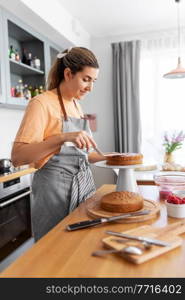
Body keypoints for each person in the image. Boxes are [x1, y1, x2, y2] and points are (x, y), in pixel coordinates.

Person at [11, 47, 105, 241]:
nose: (90, 88)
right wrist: (63, 137)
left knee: (75, 248)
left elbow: (81, 155)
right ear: (68, 74)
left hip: (81, 185)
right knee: (52, 250)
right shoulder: (41, 103)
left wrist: (111, 158)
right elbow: (18, 157)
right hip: (53, 191)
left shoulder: (77, 105)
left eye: (93, 81)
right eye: (86, 79)